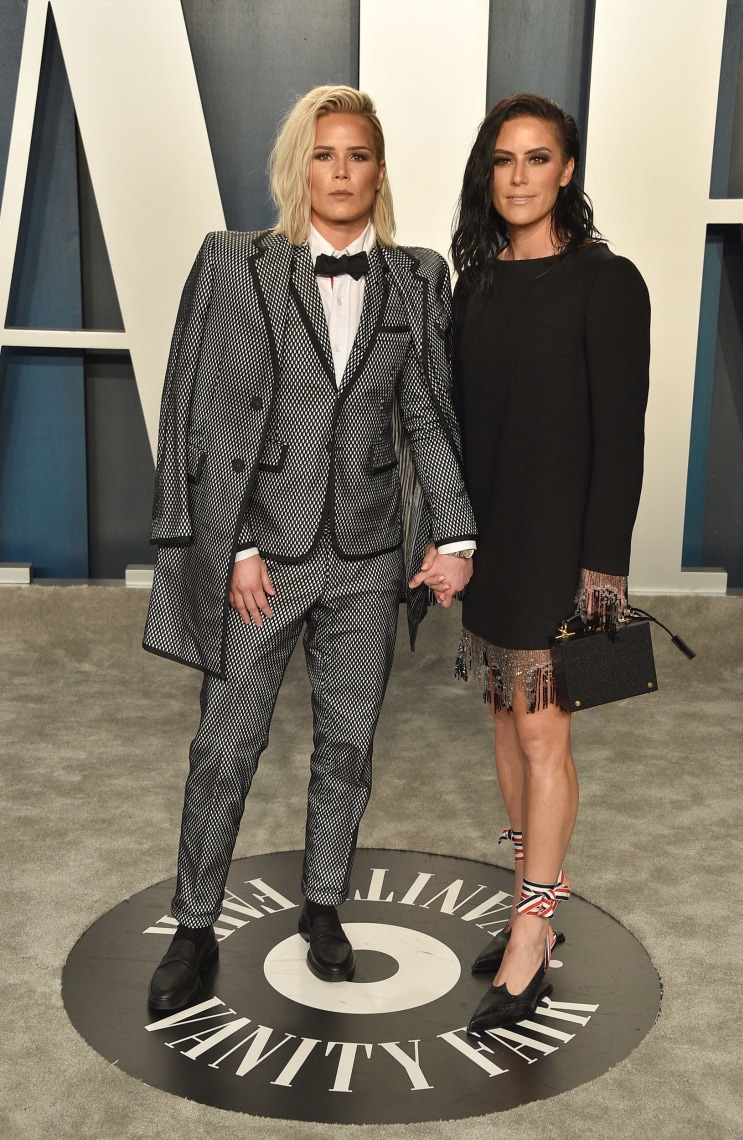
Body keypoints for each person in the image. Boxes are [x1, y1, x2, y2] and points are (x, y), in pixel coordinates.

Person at [142, 85, 476, 1012]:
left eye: (358, 155)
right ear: (301, 167)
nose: (341, 172)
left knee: (347, 745)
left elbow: (430, 420)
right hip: (266, 558)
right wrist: (237, 544)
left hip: (369, 558)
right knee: (225, 745)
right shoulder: (235, 264)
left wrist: (455, 534)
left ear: (378, 168)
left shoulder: (416, 278)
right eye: (324, 155)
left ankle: (323, 904)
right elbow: (202, 413)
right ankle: (196, 925)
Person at [448, 94, 650, 1033]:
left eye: (538, 158)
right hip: (491, 540)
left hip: (559, 546)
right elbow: (453, 428)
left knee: (542, 738)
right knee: (504, 727)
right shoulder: (476, 284)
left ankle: (531, 934)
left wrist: (600, 573)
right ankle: (538, 899)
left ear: (568, 169)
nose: (519, 176)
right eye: (504, 160)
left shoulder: (608, 283)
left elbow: (622, 436)